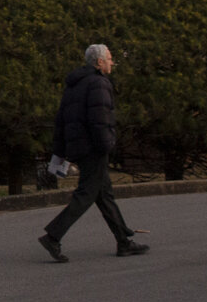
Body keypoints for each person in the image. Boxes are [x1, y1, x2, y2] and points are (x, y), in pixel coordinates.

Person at [38, 44, 148, 262]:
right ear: (99, 62)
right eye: (109, 58)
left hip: (79, 147)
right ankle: (53, 236)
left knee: (104, 194)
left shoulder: (74, 85)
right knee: (87, 193)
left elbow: (62, 120)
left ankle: (124, 242)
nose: (112, 62)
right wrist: (107, 145)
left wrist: (60, 150)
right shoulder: (99, 83)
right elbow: (100, 120)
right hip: (93, 148)